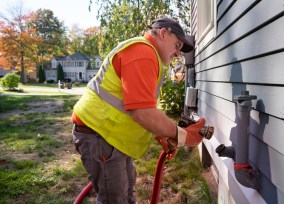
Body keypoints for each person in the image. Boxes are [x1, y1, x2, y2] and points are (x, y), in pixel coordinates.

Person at [72, 17, 207, 204]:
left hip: (111, 136)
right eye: (177, 45)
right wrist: (184, 136)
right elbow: (141, 112)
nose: (177, 54)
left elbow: (143, 108)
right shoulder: (143, 53)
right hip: (99, 135)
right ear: (163, 33)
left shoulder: (147, 55)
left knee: (126, 193)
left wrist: (162, 134)